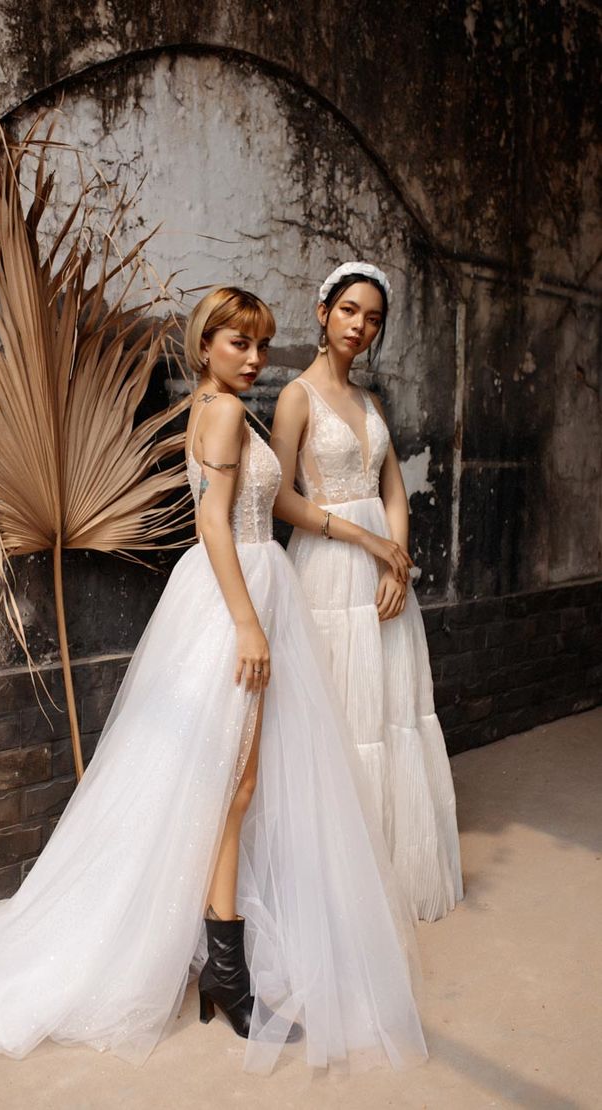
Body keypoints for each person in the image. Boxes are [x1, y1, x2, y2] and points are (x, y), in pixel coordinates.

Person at [0, 286, 427, 1075]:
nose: (255, 358)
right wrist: (249, 622)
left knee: (234, 784)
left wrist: (301, 577)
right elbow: (212, 524)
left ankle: (222, 959)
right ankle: (225, 969)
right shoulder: (222, 413)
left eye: (261, 345)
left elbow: (249, 510)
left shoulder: (219, 406)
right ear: (205, 346)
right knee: (233, 782)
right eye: (238, 343)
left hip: (243, 588)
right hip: (236, 595)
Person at [271, 262, 463, 923]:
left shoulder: (372, 403)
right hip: (327, 567)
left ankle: (390, 870)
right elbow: (280, 496)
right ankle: (338, 889)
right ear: (323, 312)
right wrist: (365, 542)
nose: (360, 325)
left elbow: (394, 493)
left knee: (388, 710)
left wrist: (395, 564)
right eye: (350, 310)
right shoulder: (296, 396)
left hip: (382, 570)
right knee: (339, 715)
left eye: (373, 318)